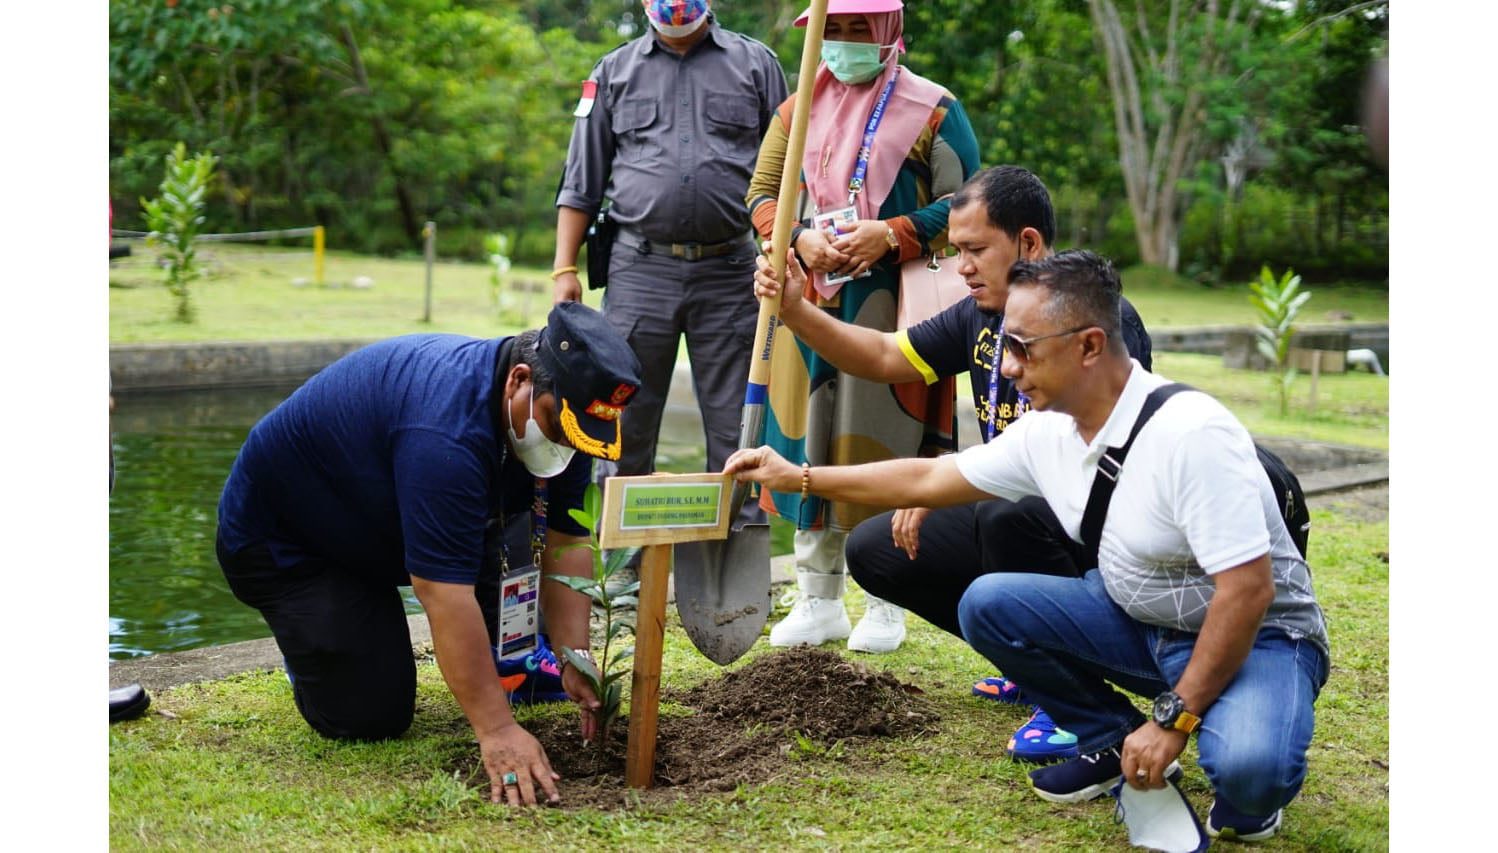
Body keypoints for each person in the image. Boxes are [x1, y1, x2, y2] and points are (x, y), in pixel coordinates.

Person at [727, 250, 1330, 842]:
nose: (1007, 367)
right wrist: (800, 476)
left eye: (1021, 347)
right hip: (1144, 624)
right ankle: (1112, 738)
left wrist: (1173, 720)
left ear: (1089, 345)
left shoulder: (1192, 435)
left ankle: (1246, 785)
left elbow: (1249, 592)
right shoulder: (1052, 430)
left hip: (1260, 637)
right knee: (989, 603)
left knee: (1251, 772)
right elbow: (929, 479)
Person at [752, 165, 1153, 763]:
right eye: (955, 249)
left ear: (1029, 244)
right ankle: (1033, 661)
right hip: (1010, 503)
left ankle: (1075, 699)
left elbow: (1074, 458)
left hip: (1101, 533)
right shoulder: (979, 313)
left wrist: (953, 484)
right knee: (875, 551)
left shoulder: (1091, 320)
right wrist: (795, 309)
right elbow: (886, 355)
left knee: (1006, 516)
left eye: (973, 249)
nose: (960, 265)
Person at [215, 302, 644, 808]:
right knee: (371, 716)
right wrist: (497, 730)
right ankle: (317, 645)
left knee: (509, 621)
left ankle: (494, 655)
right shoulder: (444, 432)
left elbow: (566, 541)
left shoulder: (564, 416)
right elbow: (441, 592)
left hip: (385, 520)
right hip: (292, 544)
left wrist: (578, 657)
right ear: (519, 381)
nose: (563, 445)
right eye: (557, 427)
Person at [744, 0, 980, 653]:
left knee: (885, 438)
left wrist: (893, 233)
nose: (844, 43)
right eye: (834, 30)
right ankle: (817, 595)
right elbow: (762, 192)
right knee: (805, 442)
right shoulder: (796, 109)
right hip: (808, 305)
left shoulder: (933, 109)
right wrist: (796, 237)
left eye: (858, 30)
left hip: (894, 308)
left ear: (888, 33)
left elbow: (966, 201)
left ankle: (885, 595)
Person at [551, 0, 787, 529]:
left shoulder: (756, 64)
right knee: (621, 418)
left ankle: (732, 550)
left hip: (732, 270)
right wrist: (564, 267)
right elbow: (580, 181)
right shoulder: (612, 71)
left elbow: (793, 168)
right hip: (640, 269)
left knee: (738, 422)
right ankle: (621, 565)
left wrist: (787, 245)